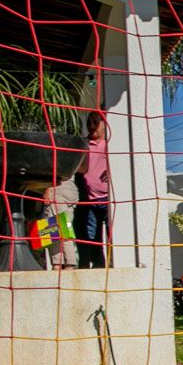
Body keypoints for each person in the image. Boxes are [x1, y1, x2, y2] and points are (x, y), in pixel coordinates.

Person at [75, 110, 110, 268]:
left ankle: (113, 264)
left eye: (95, 122)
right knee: (92, 236)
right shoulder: (83, 144)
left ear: (104, 124)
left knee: (112, 234)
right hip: (89, 199)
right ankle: (98, 266)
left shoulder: (110, 145)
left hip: (108, 199)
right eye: (88, 123)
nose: (91, 126)